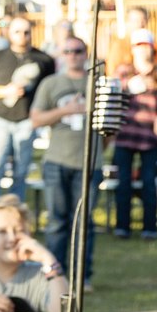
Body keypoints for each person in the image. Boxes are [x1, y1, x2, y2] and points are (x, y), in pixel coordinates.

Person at [28, 36, 95, 284]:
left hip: (89, 162)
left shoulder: (96, 84)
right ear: (61, 54)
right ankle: (56, 273)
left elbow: (110, 130)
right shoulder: (51, 83)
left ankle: (82, 275)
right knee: (57, 220)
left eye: (78, 50)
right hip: (57, 160)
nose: (73, 55)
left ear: (86, 52)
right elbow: (35, 119)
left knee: (84, 222)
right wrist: (64, 111)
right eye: (68, 51)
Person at [0, 16, 53, 214]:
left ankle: (16, 218)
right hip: (1, 119)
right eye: (17, 31)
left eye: (26, 31)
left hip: (27, 120)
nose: (22, 36)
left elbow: (50, 91)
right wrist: (5, 91)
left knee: (21, 173)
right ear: (9, 33)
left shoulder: (43, 60)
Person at [112, 29, 157, 240]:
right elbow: (113, 99)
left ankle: (149, 227)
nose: (142, 49)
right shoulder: (123, 72)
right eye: (138, 45)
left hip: (150, 137)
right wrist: (127, 87)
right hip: (125, 135)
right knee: (123, 182)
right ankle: (122, 226)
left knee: (149, 183)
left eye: (146, 45)